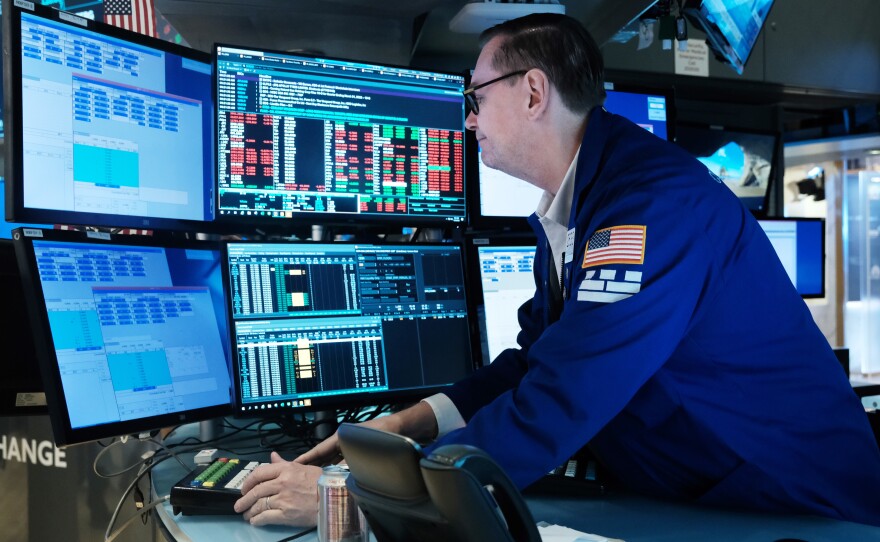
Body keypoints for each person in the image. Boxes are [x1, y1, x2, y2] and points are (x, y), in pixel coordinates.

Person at [234, 13, 880, 527]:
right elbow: (537, 360)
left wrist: (358, 497)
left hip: (793, 501)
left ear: (533, 91)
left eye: (474, 96)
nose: (467, 119)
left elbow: (565, 394)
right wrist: (409, 423)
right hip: (706, 489)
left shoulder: (650, 207)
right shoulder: (583, 203)